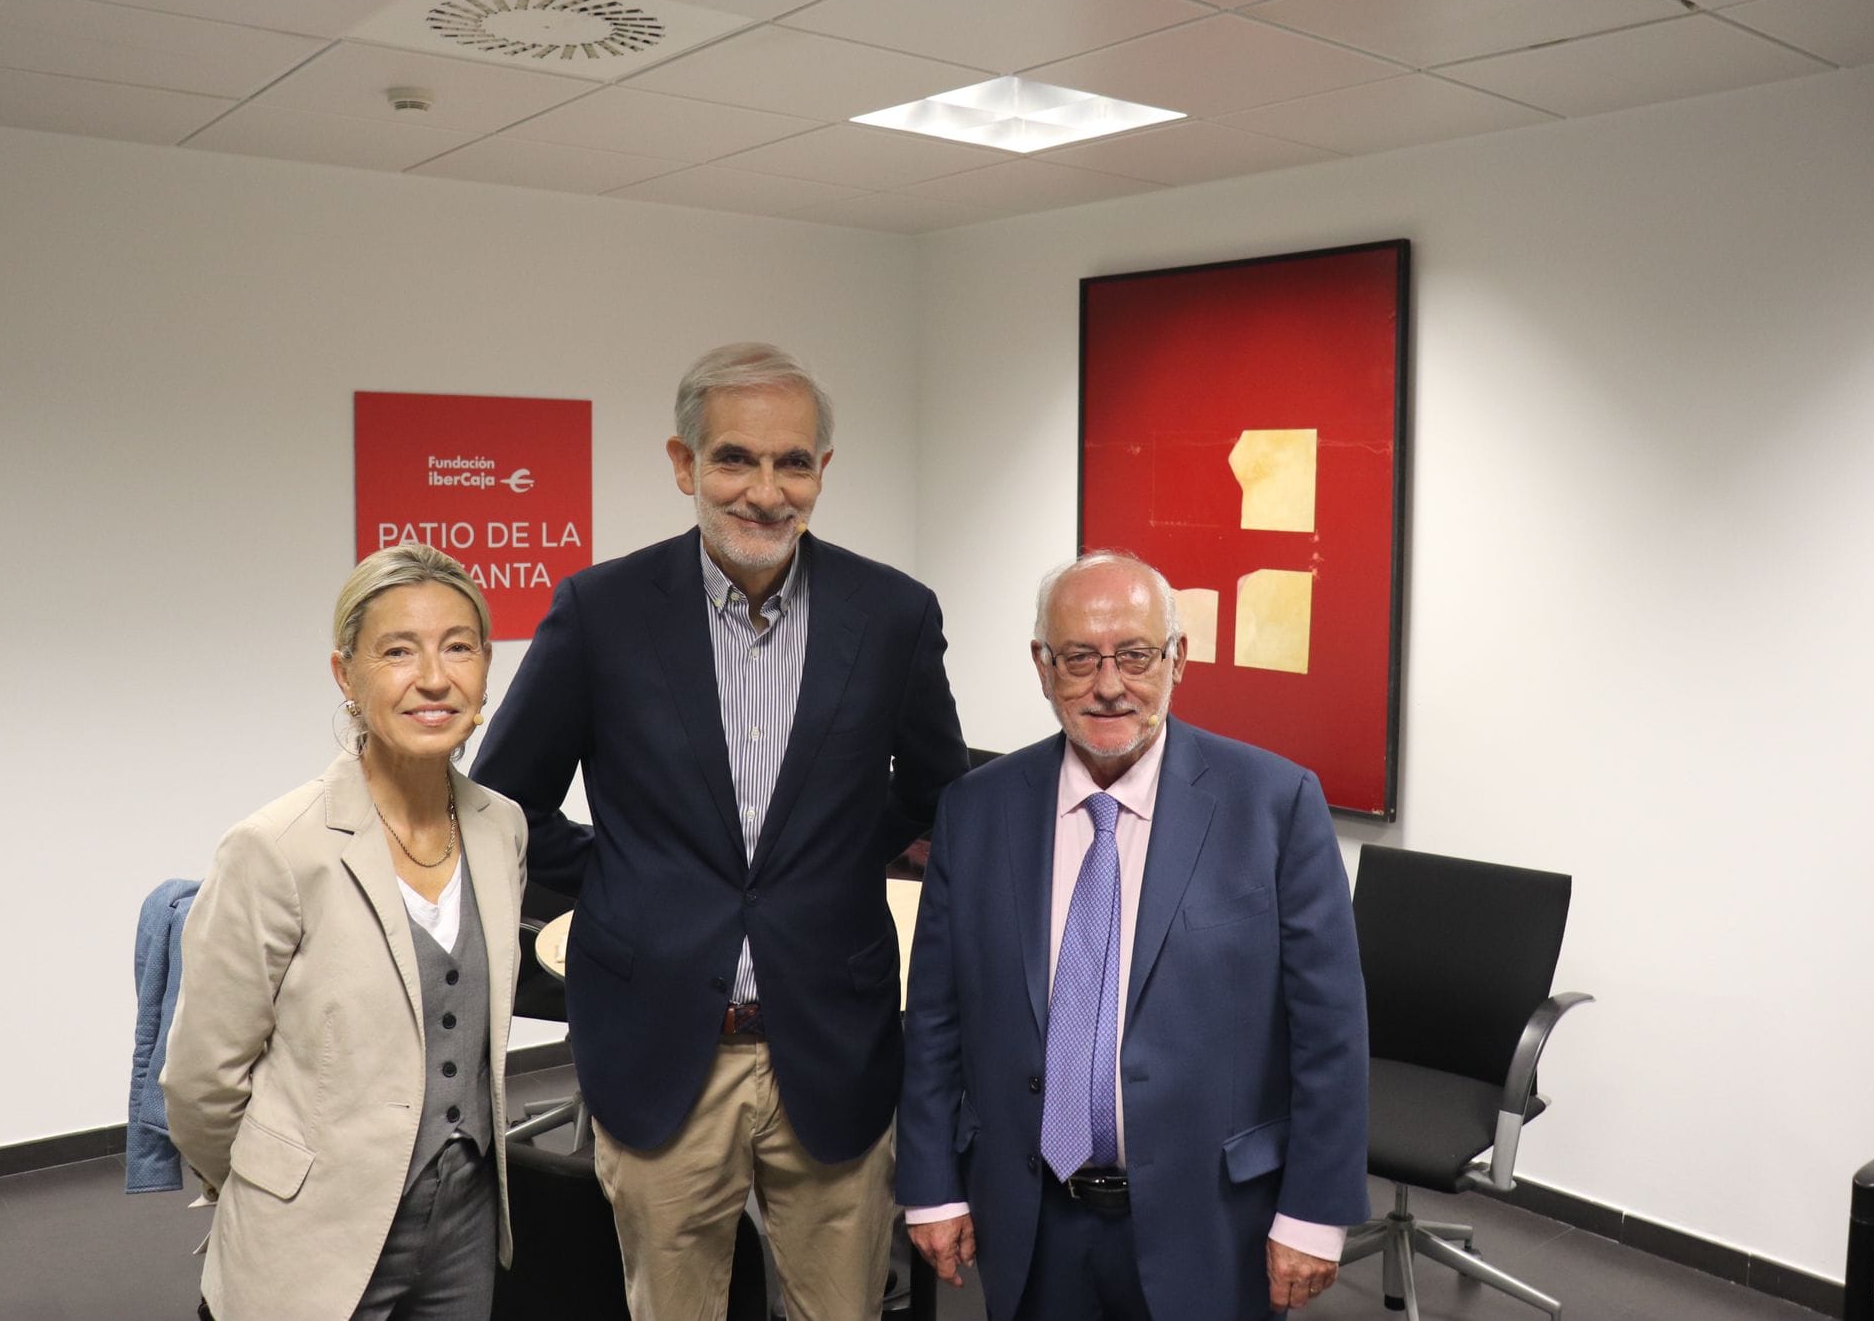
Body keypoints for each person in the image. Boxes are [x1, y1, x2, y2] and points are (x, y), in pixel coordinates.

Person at [472, 341, 967, 1320]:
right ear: (683, 463)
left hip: (833, 1043)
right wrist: (622, 873)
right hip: (661, 1048)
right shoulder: (601, 611)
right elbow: (502, 802)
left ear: (822, 470)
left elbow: (934, 790)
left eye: (793, 463)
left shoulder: (892, 615)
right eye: (735, 458)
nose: (765, 491)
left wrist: (835, 859)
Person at [897, 552, 1370, 1321]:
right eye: (1080, 657)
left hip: (1213, 1221)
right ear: (1043, 666)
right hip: (1030, 1218)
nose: (1109, 684)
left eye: (1136, 655)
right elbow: (935, 1018)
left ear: (1177, 659)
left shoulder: (1274, 806)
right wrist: (932, 1188)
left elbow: (1330, 1030)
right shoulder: (975, 811)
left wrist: (1315, 1212)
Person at [163, 545, 528, 1321]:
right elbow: (200, 1084)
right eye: (398, 651)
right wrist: (275, 1186)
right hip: (311, 1235)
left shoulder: (502, 829)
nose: (434, 678)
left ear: (486, 666)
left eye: (458, 647)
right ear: (346, 676)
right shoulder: (276, 848)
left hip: (464, 1226)